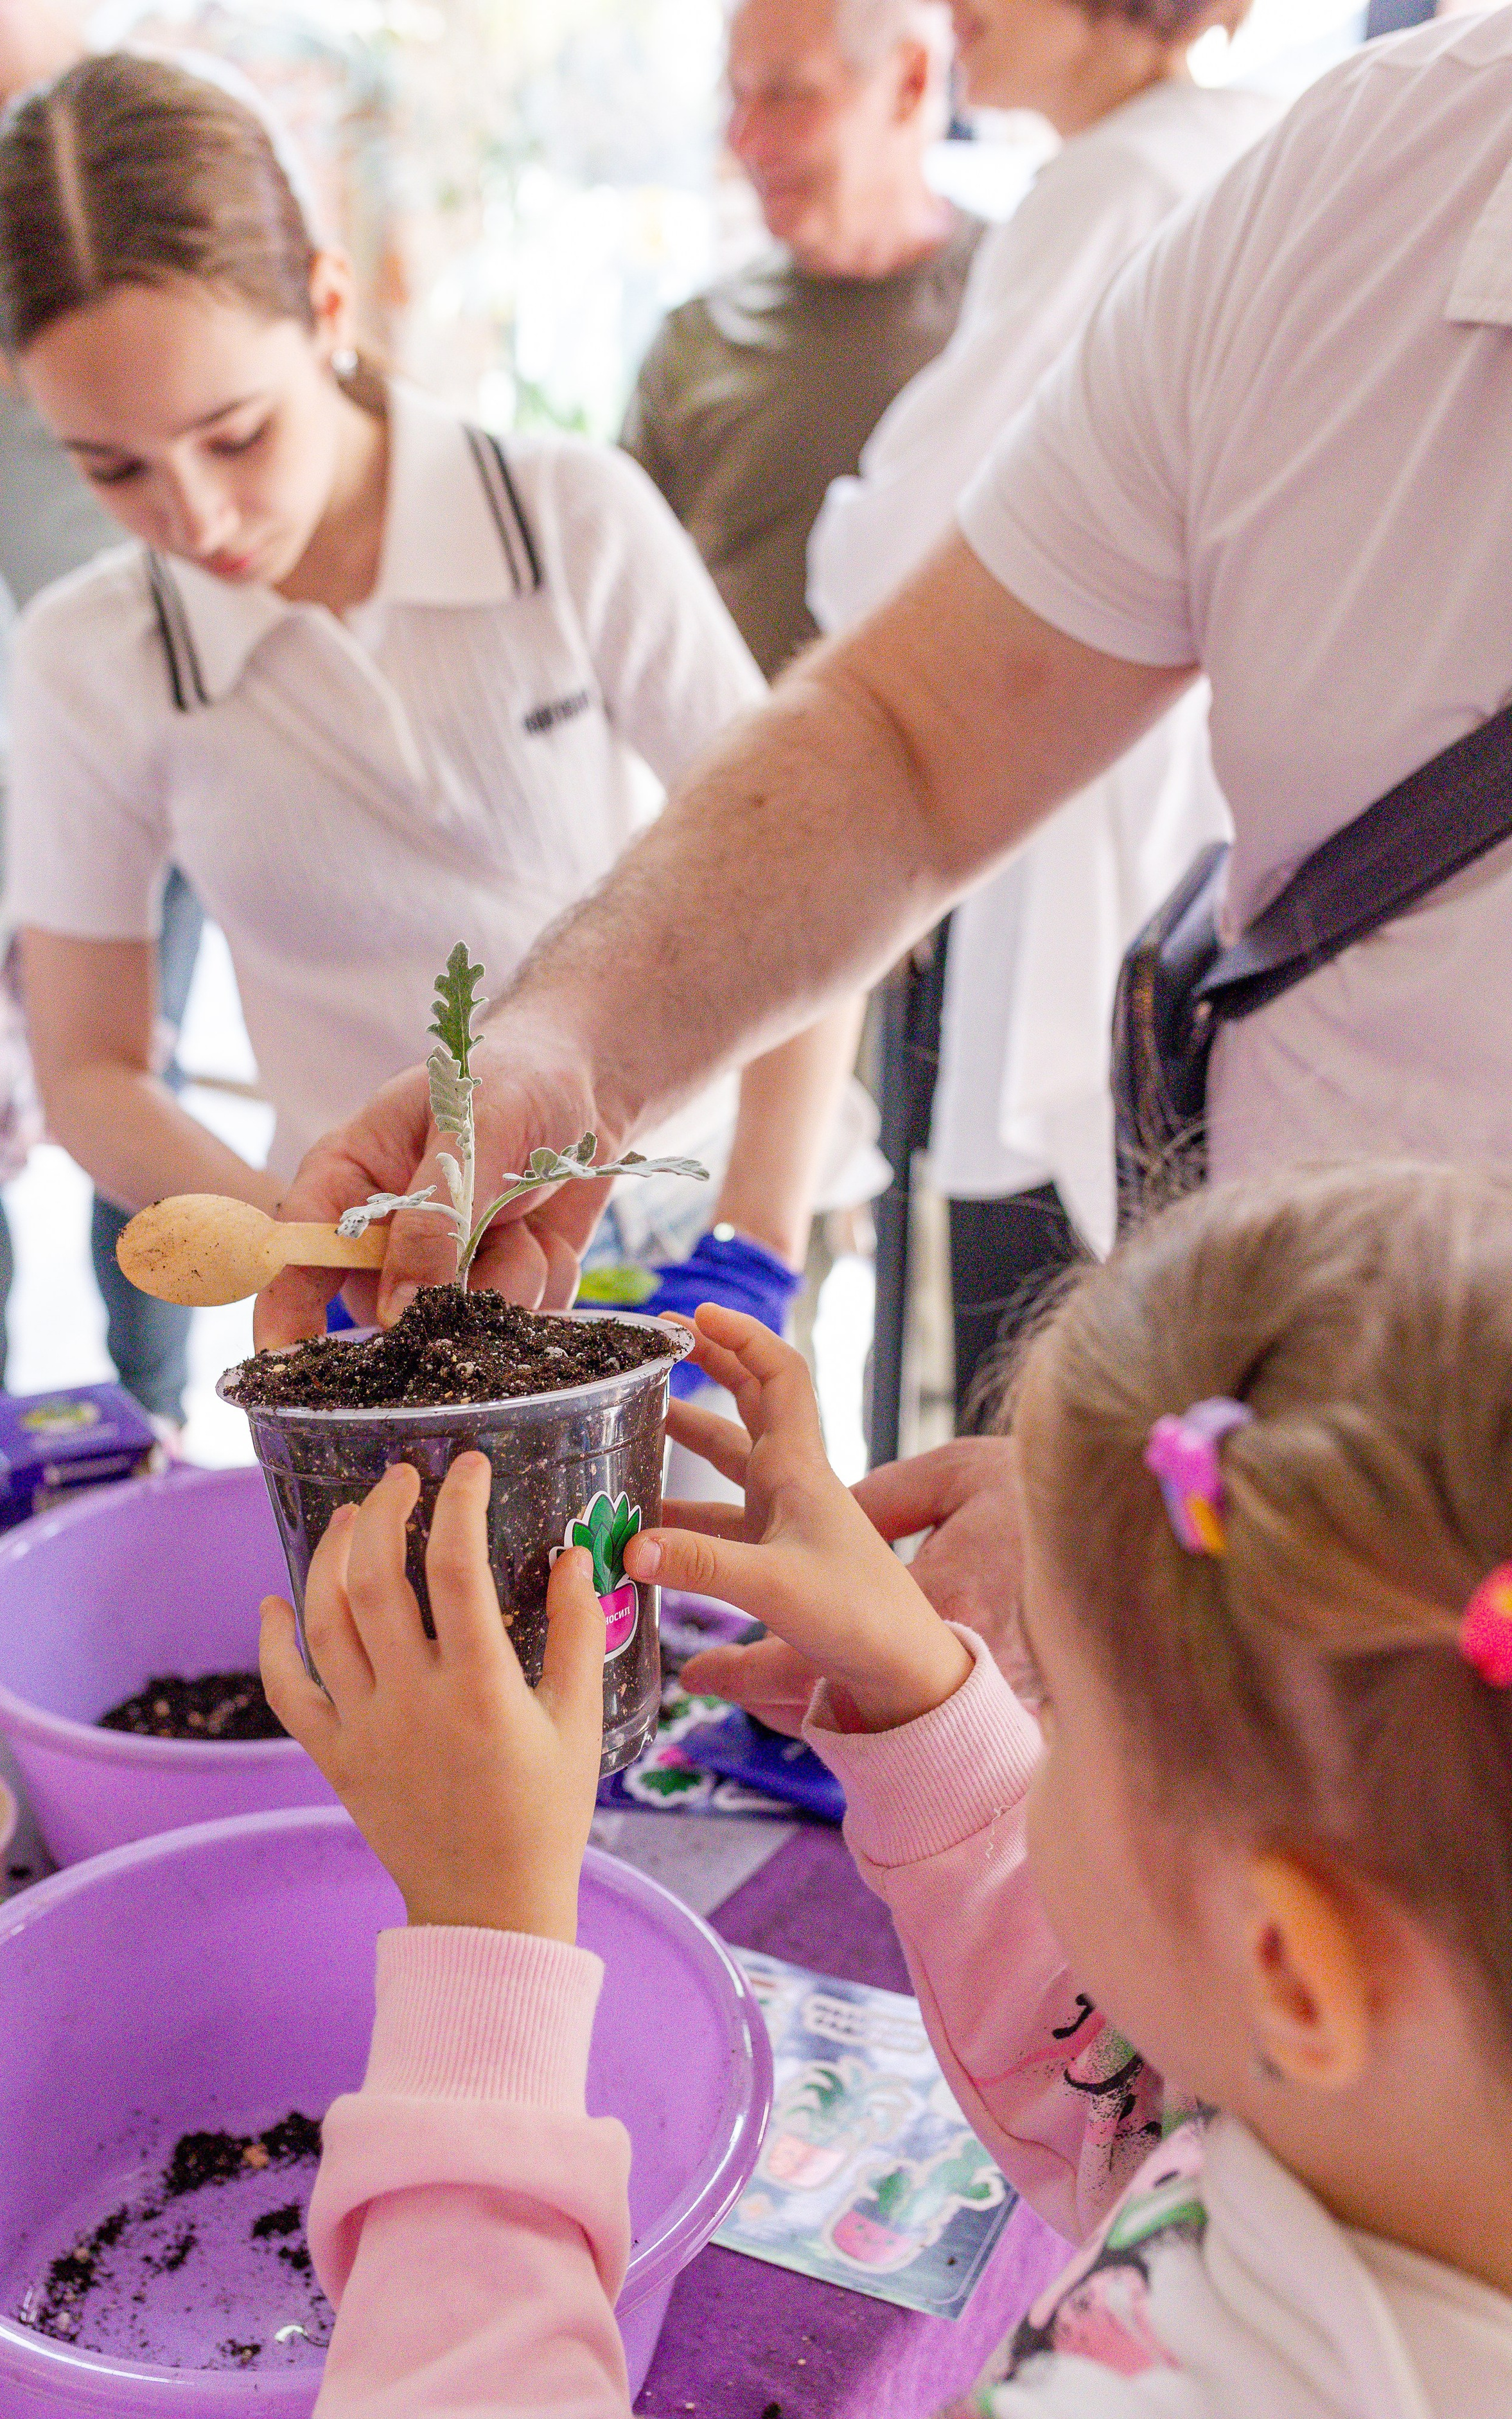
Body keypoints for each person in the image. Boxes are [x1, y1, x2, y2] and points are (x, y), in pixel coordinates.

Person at [259, 15, 1512, 1412]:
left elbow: (875, 569)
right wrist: (575, 1050)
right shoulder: (1349, 178)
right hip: (1257, 1397)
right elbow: (910, 738)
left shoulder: (1113, 197)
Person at [258, 1160, 1512, 2419]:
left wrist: (485, 1935)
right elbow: (1125, 2082)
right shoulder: (1394, 2127)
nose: (1043, 1737)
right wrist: (923, 1705)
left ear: (1289, 1964)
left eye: (1060, 1714)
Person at [0, 54, 859, 1328]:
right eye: (114, 468)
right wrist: (307, 1260)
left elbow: (801, 880)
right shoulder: (89, 654)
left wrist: (752, 1249)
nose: (198, 515)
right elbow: (91, 1070)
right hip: (369, 1273)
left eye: (238, 435)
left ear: (329, 305)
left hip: (662, 1217)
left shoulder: (565, 519)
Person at [808, 0, 1267, 1416]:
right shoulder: (1244, 146)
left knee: (1042, 1354)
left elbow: (890, 557)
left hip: (1080, 807)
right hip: (1202, 808)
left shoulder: (1113, 183)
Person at [0, 0, 202, 1421]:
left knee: (134, 1090)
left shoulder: (155, 152)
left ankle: (168, 1414)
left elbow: (120, 361)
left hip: (149, 731)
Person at [622, 0, 981, 686]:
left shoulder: (1018, 303)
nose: (745, 139)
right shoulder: (693, 342)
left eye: (788, 94)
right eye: (736, 95)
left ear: (909, 81)